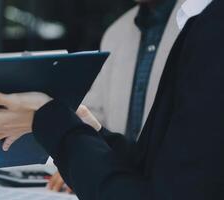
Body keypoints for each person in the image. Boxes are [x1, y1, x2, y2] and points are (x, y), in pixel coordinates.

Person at [0, 0, 224, 199]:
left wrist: (53, 123)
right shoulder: (198, 22)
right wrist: (82, 130)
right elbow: (165, 171)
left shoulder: (212, 29)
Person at [49, 0, 183, 192]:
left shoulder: (202, 24)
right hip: (117, 182)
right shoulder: (116, 32)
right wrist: (77, 160)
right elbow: (96, 112)